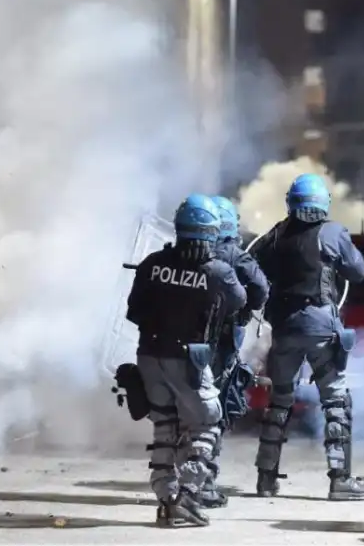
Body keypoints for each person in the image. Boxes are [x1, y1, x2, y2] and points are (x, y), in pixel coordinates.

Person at [125, 193, 246, 527]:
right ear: (212, 231)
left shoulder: (152, 264)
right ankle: (188, 497)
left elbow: (134, 312)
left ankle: (165, 502)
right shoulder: (219, 271)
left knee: (164, 427)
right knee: (206, 425)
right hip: (189, 359)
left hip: (149, 355)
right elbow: (239, 301)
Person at [250, 173, 364, 501]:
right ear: (323, 202)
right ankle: (340, 479)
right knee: (335, 401)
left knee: (279, 403)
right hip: (320, 328)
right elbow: (358, 272)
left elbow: (250, 268)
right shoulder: (332, 233)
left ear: (292, 201)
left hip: (285, 329)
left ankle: (265, 478)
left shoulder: (275, 235)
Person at [197, 195, 268, 509]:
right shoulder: (236, 257)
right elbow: (261, 289)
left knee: (183, 410)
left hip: (184, 344)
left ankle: (175, 478)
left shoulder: (189, 253)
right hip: (222, 343)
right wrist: (244, 309)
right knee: (214, 411)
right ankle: (203, 481)